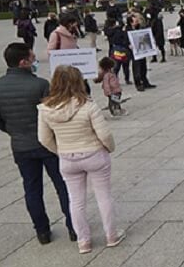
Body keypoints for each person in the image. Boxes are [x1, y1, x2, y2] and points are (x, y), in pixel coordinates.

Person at [0, 43, 74, 245]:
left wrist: (13, 130)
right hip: (48, 145)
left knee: (32, 188)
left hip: (20, 146)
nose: (35, 62)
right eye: (33, 59)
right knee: (62, 185)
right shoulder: (40, 85)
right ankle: (73, 227)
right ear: (23, 62)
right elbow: (55, 113)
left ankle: (42, 231)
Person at [37, 65, 123, 254]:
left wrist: (60, 151)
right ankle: (111, 235)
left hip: (68, 157)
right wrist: (109, 148)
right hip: (93, 153)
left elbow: (44, 139)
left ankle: (83, 241)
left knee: (76, 201)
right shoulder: (88, 105)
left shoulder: (45, 109)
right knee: (103, 196)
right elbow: (104, 134)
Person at [126, 13, 156, 90]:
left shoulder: (139, 27)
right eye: (135, 21)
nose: (137, 22)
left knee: (143, 66)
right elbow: (123, 40)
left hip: (141, 50)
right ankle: (138, 83)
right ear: (131, 22)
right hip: (134, 52)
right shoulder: (126, 29)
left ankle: (145, 81)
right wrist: (128, 45)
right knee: (136, 68)